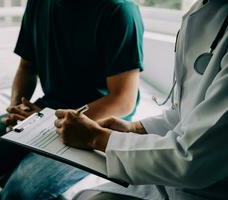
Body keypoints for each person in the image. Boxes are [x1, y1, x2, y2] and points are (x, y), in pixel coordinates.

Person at [0, 0, 144, 199]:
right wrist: (15, 107)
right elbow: (27, 68)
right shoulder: (38, 4)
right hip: (47, 110)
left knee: (18, 194)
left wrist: (49, 121)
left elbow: (123, 100)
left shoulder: (119, 10)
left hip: (95, 122)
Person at [54, 0, 228, 199]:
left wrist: (96, 137)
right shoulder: (202, 10)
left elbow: (193, 160)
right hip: (174, 180)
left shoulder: (119, 10)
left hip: (209, 187)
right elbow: (186, 114)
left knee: (21, 190)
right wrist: (135, 129)